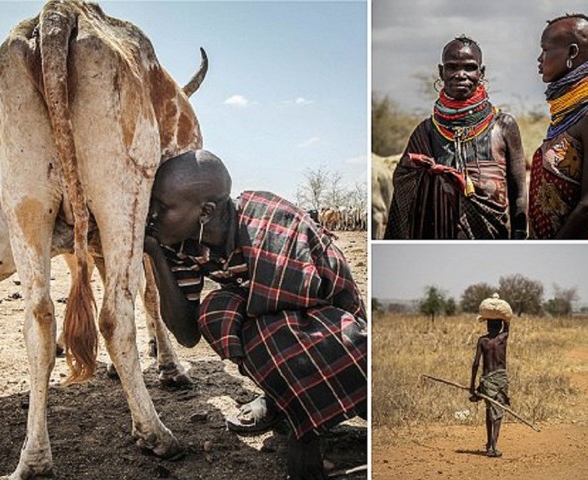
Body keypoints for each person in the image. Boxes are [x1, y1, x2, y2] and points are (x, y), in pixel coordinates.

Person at [143, 150, 367, 480]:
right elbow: (187, 335)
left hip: (342, 336)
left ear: (205, 212)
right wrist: (154, 254)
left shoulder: (272, 226)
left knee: (273, 337)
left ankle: (304, 422)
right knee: (216, 313)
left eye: (162, 208)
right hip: (286, 328)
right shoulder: (181, 242)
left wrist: (302, 440)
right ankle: (283, 399)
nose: (152, 215)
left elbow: (298, 329)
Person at [384, 36, 527, 239]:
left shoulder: (504, 126)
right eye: (452, 67)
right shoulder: (425, 131)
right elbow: (404, 182)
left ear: (481, 72)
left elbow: (518, 192)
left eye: (469, 67)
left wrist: (520, 235)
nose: (461, 75)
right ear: (441, 72)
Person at [530, 14, 588, 239]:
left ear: (572, 53)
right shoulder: (568, 113)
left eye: (545, 50)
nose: (539, 59)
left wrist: (553, 248)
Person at [469, 293, 512, 458]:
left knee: (489, 411)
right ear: (500, 325)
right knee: (498, 411)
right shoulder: (504, 337)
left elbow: (475, 364)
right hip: (500, 379)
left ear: (487, 325)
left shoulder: (482, 341)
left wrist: (473, 386)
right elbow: (508, 321)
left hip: (487, 380)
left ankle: (489, 445)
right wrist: (499, 306)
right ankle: (493, 444)